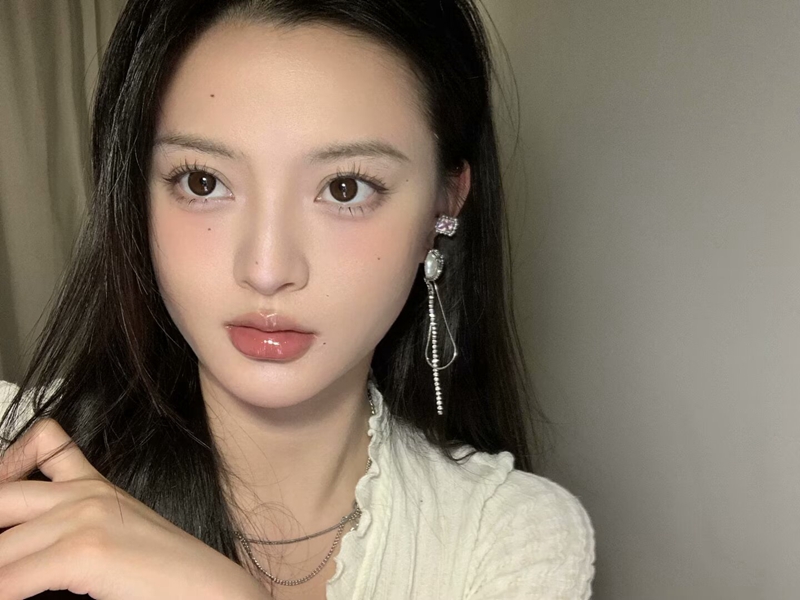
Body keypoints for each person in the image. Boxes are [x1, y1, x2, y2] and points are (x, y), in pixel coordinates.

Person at [0, 0, 596, 598]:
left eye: (345, 188)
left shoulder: (512, 537)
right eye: (203, 182)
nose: (266, 270)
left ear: (444, 204)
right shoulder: (14, 455)